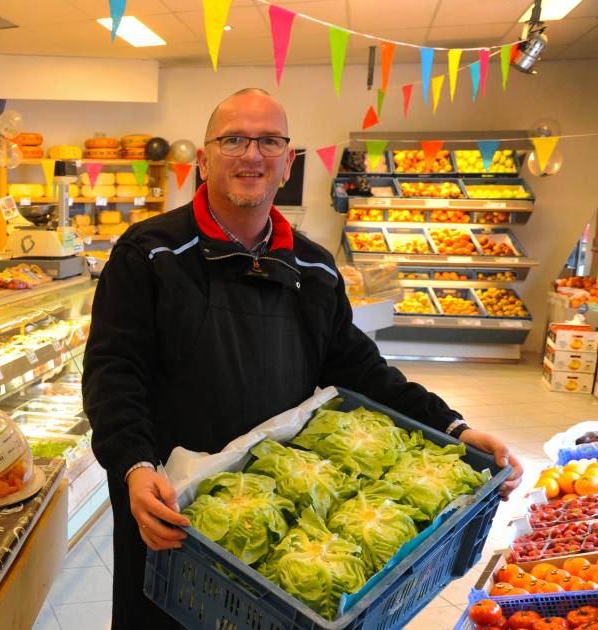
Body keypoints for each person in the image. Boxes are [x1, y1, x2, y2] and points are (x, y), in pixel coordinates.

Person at [81, 88, 523, 628]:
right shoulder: (149, 252)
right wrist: (133, 465)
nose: (251, 154)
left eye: (269, 141)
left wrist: (452, 427)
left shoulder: (314, 267)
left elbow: (360, 368)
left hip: (278, 515)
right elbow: (113, 373)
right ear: (203, 158)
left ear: (288, 161)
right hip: (174, 512)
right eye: (234, 139)